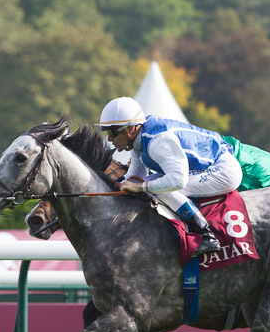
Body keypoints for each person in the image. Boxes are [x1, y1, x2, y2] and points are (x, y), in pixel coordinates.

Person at [96, 96, 243, 255]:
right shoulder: (138, 138)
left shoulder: (158, 141)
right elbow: (137, 175)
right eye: (106, 132)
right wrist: (119, 186)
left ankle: (206, 235)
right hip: (200, 168)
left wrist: (139, 187)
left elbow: (177, 180)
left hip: (222, 169)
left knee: (162, 188)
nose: (109, 138)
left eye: (112, 131)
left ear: (130, 129)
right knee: (148, 186)